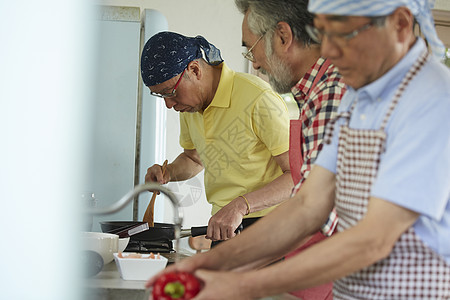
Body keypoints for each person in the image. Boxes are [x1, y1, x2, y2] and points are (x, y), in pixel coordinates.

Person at [145, 0, 450, 299]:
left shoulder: (390, 97)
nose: (255, 63)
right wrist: (207, 264)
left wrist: (242, 285)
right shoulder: (332, 96)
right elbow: (308, 207)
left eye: (252, 49)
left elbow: (372, 239)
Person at [235, 1, 346, 298]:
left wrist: (231, 266)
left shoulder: (333, 92)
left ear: (283, 37)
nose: (255, 63)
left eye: (252, 48)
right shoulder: (318, 93)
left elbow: (313, 213)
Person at [141, 31, 293, 243]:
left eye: (170, 92)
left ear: (194, 70)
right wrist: (168, 172)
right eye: (161, 96)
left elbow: (297, 176)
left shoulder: (259, 98)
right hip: (224, 224)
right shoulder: (190, 107)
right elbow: (194, 158)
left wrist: (241, 205)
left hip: (272, 226)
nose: (168, 104)